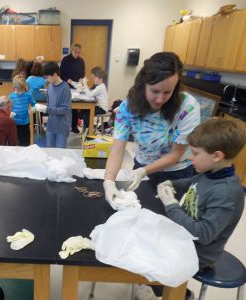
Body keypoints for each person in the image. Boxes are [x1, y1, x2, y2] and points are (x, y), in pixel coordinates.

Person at [155, 117, 246, 299]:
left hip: (199, 253)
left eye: (195, 153)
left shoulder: (226, 193)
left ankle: (180, 295)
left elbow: (204, 234)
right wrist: (172, 183)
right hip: (185, 237)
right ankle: (171, 290)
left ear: (217, 156)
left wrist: (172, 206)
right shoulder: (211, 172)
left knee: (148, 257)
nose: (190, 157)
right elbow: (193, 182)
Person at [103, 52, 200, 207]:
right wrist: (109, 181)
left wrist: (144, 171)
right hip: (141, 166)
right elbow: (117, 150)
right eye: (155, 91)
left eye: (167, 92)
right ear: (143, 84)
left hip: (175, 173)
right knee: (137, 211)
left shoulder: (187, 107)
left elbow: (176, 153)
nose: (160, 99)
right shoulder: (128, 107)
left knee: (165, 218)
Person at [36, 62, 71, 148]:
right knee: (50, 153)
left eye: (47, 77)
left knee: (60, 154)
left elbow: (65, 110)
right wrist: (39, 108)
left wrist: (46, 109)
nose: (46, 80)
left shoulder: (65, 88)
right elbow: (50, 105)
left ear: (55, 75)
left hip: (62, 127)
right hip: (51, 126)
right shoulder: (49, 87)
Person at [60, 43, 85, 134]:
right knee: (66, 106)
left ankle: (74, 126)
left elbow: (82, 74)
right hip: (66, 86)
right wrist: (70, 81)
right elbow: (62, 74)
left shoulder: (81, 61)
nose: (77, 54)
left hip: (76, 87)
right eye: (75, 52)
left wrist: (81, 81)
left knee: (75, 107)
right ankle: (64, 126)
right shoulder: (66, 60)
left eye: (79, 53)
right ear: (72, 50)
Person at [9, 75, 36, 146]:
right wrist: (10, 113)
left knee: (26, 142)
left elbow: (34, 104)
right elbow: (8, 107)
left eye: (22, 89)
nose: (20, 92)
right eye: (18, 90)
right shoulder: (11, 96)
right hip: (15, 123)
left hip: (25, 123)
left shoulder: (28, 95)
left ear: (24, 87)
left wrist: (32, 109)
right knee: (16, 143)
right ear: (14, 87)